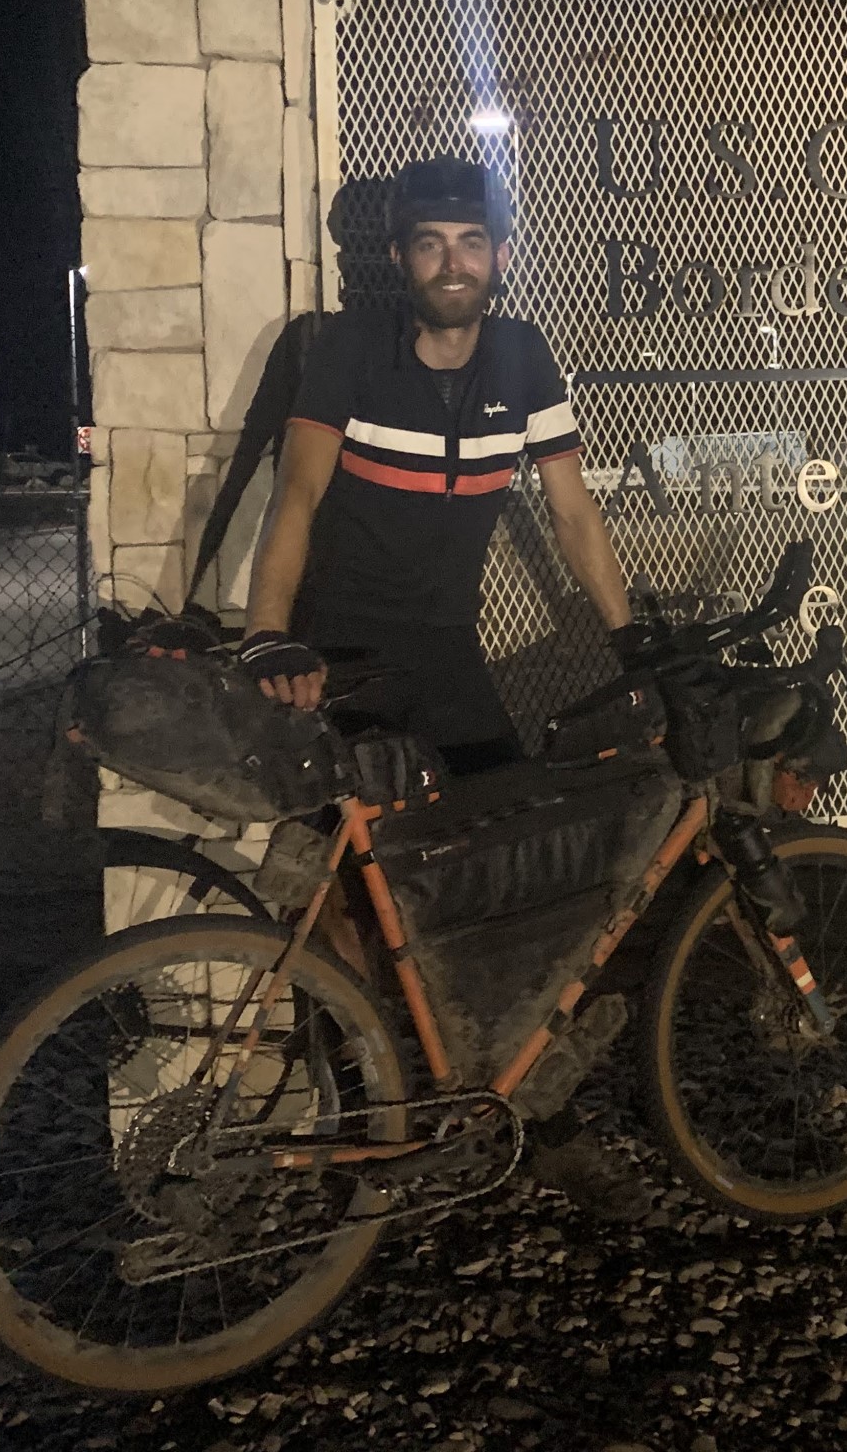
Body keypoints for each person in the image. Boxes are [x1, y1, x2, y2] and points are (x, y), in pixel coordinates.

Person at [236, 152, 652, 1217]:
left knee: (521, 870)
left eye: (471, 242)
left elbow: (572, 516)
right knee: (363, 900)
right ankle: (369, 1116)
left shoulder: (522, 356)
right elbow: (295, 498)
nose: (452, 262)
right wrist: (271, 633)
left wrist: (635, 642)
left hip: (447, 649)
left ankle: (530, 1109)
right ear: (397, 258)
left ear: (500, 255)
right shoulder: (350, 352)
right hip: (350, 651)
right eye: (430, 244)